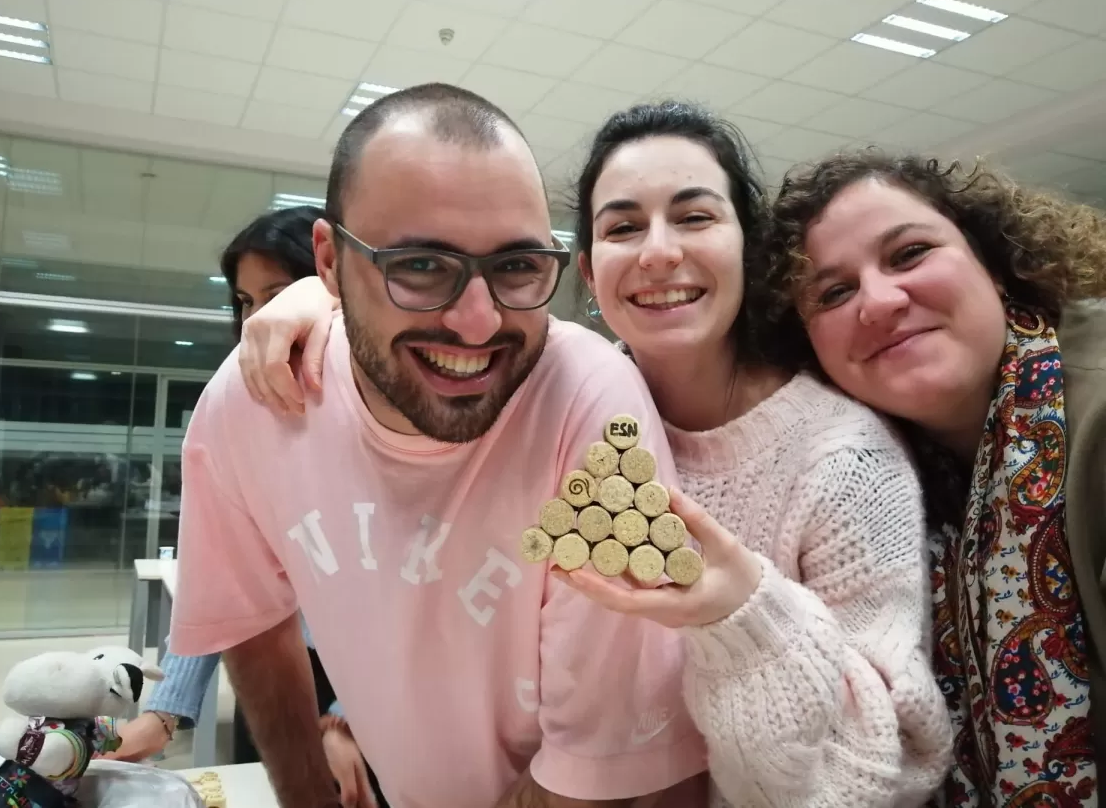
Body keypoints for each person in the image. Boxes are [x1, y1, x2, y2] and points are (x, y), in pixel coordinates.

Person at [234, 100, 953, 807]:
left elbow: (889, 774)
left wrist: (744, 614)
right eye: (623, 226)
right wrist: (322, 302)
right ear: (585, 265)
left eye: (695, 215)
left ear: (750, 245)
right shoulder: (546, 406)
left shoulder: (844, 460)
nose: (659, 251)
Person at [168, 84, 711, 808]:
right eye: (421, 265)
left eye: (517, 265)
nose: (479, 322)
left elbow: (594, 774)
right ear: (327, 263)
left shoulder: (593, 403)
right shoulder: (253, 400)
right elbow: (253, 619)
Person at [762, 151, 1105, 804]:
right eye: (835, 292)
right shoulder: (871, 482)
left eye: (910, 253)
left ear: (995, 262)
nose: (882, 301)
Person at [109, 207, 382, 808]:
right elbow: (224, 585)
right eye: (244, 300)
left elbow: (416, 600)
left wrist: (344, 721)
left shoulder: (385, 411)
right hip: (286, 671)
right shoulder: (246, 411)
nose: (257, 321)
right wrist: (164, 713)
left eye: (278, 295)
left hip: (383, 684)